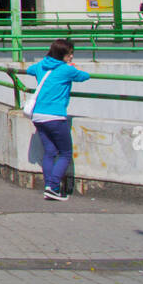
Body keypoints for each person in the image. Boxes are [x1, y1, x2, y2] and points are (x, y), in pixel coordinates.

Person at [24, 38, 91, 202]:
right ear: (63, 55)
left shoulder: (41, 66)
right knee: (66, 153)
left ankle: (49, 187)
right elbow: (85, 76)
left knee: (50, 152)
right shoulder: (66, 70)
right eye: (70, 54)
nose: (72, 57)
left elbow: (30, 70)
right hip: (55, 116)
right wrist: (72, 67)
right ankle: (53, 187)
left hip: (38, 116)